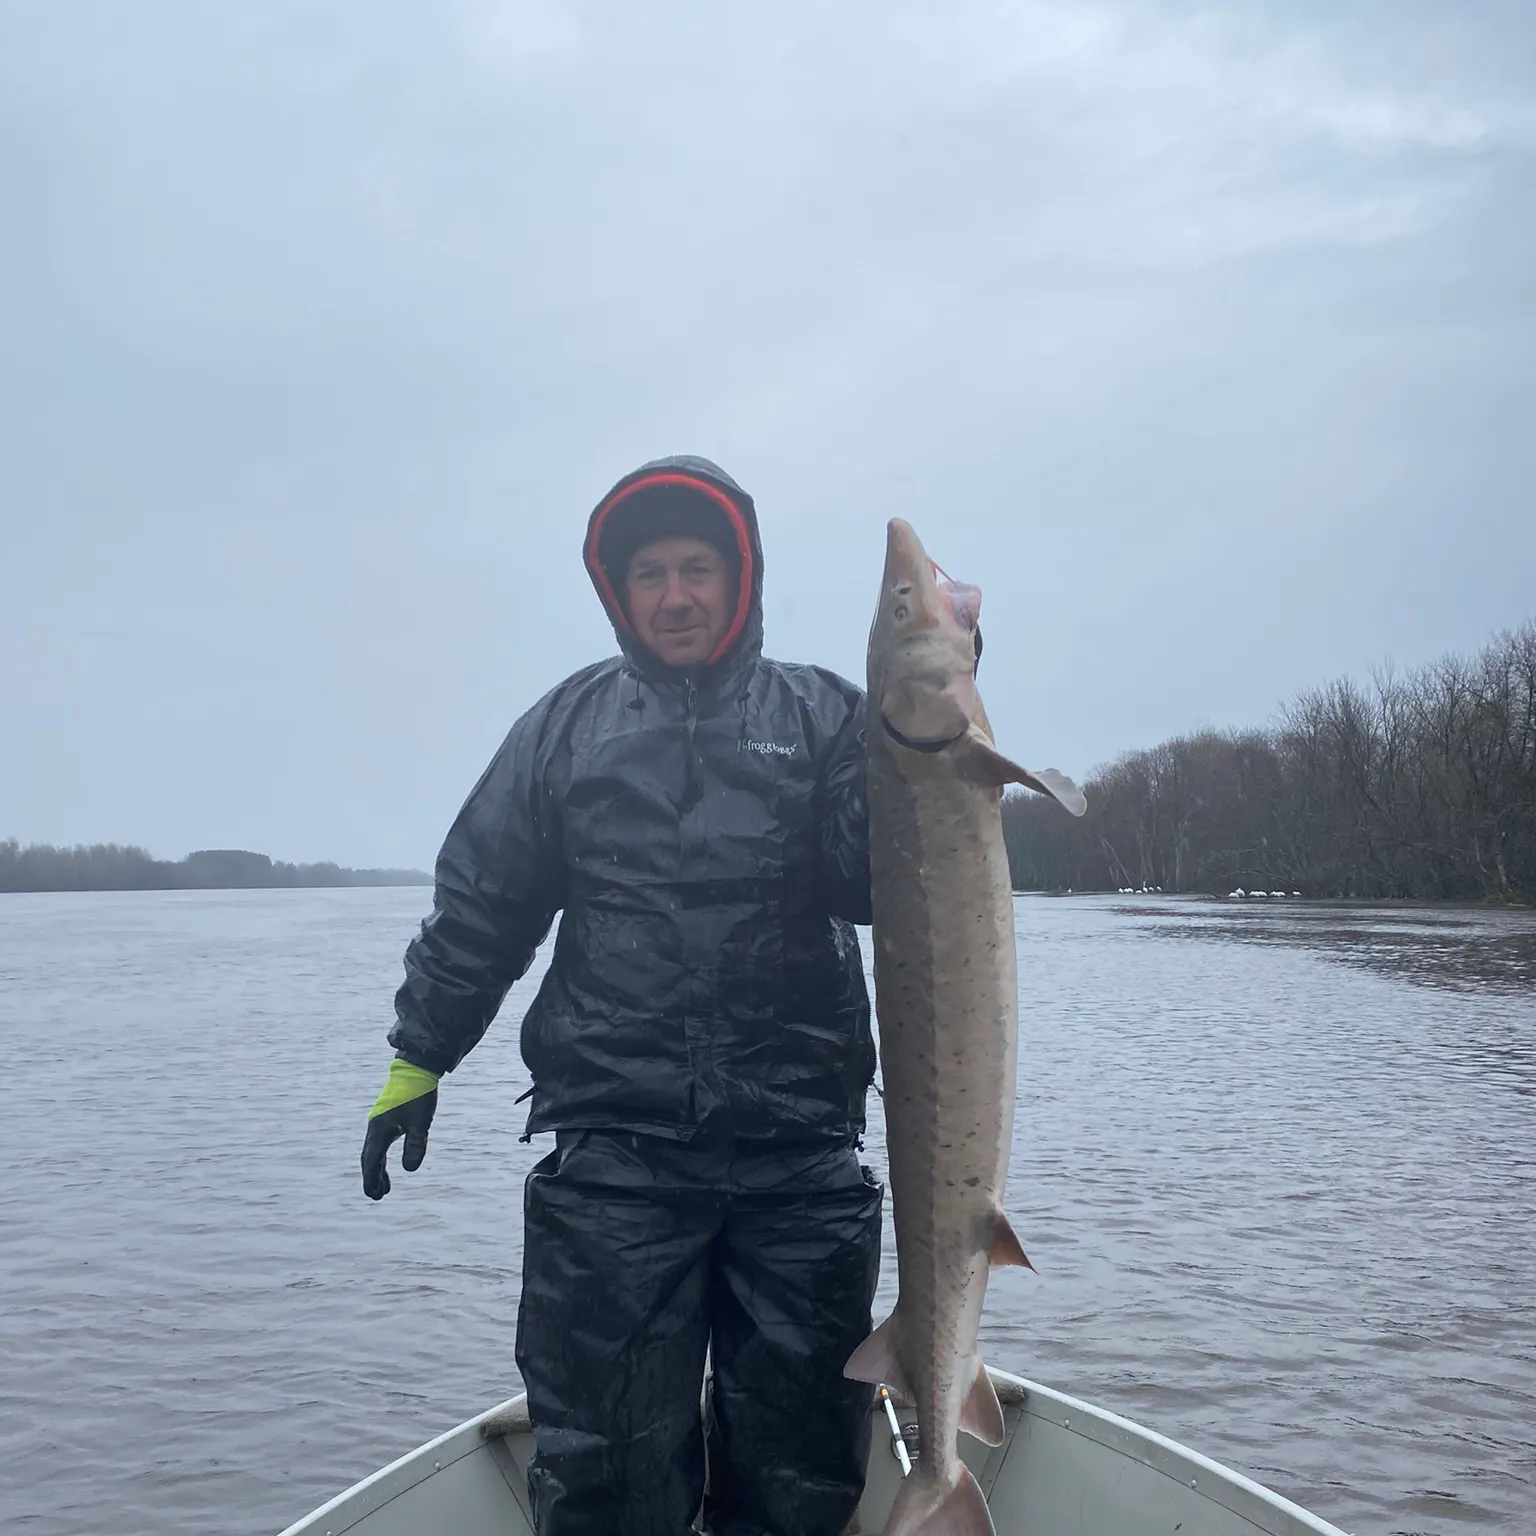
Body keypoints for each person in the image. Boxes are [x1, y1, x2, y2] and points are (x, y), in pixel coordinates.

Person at [359, 455, 883, 1536]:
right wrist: (420, 1058)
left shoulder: (830, 716)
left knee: (797, 1477)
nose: (677, 595)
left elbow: (877, 886)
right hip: (616, 1166)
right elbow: (481, 908)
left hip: (801, 1162)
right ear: (617, 589)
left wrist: (927, 728)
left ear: (741, 579)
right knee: (606, 1473)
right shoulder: (565, 729)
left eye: (698, 567)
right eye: (651, 573)